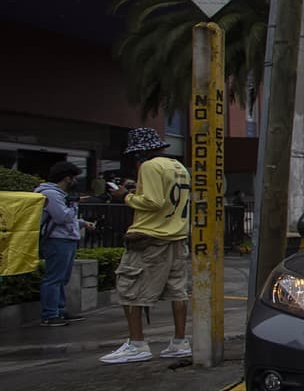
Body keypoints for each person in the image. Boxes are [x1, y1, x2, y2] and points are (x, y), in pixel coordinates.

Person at [101, 127, 193, 365]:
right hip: (177, 236)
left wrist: (125, 196)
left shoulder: (150, 166)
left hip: (151, 238)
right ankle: (180, 342)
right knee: (177, 290)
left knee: (130, 289)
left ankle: (137, 344)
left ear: (140, 152)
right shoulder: (178, 167)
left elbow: (153, 202)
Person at [34, 161, 95, 327]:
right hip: (57, 240)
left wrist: (82, 222)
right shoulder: (51, 194)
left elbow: (67, 218)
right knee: (54, 278)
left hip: (65, 239)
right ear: (67, 178)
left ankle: (59, 310)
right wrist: (74, 203)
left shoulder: (60, 195)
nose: (75, 182)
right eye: (74, 178)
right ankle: (50, 314)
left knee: (62, 278)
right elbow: (62, 217)